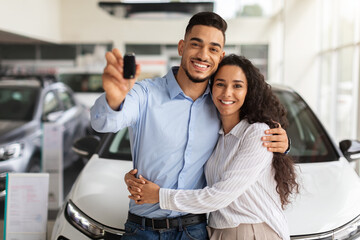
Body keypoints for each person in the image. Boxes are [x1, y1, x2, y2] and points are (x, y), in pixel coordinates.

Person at [91, 12, 289, 240]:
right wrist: (113, 100)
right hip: (143, 229)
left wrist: (284, 143)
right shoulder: (146, 93)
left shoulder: (222, 104)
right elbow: (104, 123)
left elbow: (252, 128)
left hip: (195, 230)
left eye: (213, 49)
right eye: (196, 45)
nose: (203, 55)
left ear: (220, 56)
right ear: (182, 47)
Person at [128, 54, 299, 240]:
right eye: (220, 84)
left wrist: (160, 196)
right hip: (216, 231)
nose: (227, 93)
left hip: (253, 231)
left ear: (249, 91)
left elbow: (220, 196)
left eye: (237, 86)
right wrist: (140, 174)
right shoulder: (215, 135)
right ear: (210, 88)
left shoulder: (257, 133)